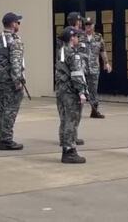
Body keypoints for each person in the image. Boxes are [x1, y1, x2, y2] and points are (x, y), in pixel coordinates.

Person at [0, 12, 26, 151]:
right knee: (10, 111)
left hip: (0, 80)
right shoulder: (14, 40)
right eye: (18, 22)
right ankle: (6, 140)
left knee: (2, 110)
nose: (19, 25)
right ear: (13, 24)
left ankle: (2, 138)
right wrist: (18, 80)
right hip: (11, 82)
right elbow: (16, 62)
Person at [55, 26, 89, 163]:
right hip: (70, 93)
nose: (78, 38)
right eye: (76, 36)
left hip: (61, 91)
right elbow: (77, 74)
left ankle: (66, 148)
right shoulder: (72, 54)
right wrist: (82, 92)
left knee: (64, 120)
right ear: (71, 38)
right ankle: (69, 151)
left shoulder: (61, 51)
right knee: (72, 120)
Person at [82, 16, 112, 118]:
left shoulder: (98, 37)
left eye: (90, 25)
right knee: (80, 90)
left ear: (93, 25)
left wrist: (106, 63)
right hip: (82, 69)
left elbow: (102, 51)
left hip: (94, 69)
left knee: (93, 90)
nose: (88, 27)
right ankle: (76, 112)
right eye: (86, 25)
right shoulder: (80, 37)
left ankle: (94, 111)